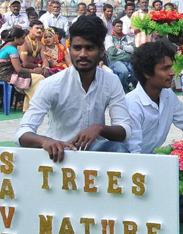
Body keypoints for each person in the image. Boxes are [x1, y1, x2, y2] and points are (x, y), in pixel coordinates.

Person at [15, 15, 132, 162]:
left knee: (120, 149)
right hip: (59, 153)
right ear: (70, 49)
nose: (82, 54)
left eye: (89, 48)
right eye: (77, 48)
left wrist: (100, 128)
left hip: (95, 152)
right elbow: (22, 133)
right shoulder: (51, 84)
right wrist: (45, 141)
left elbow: (125, 130)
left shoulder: (111, 81)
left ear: (101, 50)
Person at [126, 41, 183, 225]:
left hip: (157, 159)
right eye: (166, 68)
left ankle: (182, 209)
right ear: (147, 73)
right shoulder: (132, 103)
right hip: (134, 167)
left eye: (171, 67)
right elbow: (134, 153)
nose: (173, 73)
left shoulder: (168, 95)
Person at [0, 28, 45, 111]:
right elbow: (18, 69)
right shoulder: (12, 49)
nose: (24, 41)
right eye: (22, 38)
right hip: (6, 75)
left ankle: (28, 108)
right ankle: (34, 105)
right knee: (39, 78)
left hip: (2, 74)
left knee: (33, 81)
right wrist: (34, 70)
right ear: (15, 39)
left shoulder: (6, 46)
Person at [106, 19, 137, 92]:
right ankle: (122, 89)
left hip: (128, 60)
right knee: (124, 72)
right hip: (115, 61)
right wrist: (126, 50)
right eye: (117, 26)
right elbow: (112, 51)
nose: (119, 28)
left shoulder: (126, 37)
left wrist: (121, 47)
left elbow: (133, 49)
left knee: (137, 72)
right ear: (113, 27)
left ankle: (132, 89)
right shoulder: (109, 38)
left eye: (121, 26)